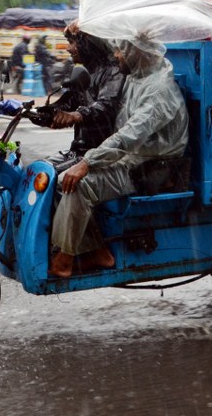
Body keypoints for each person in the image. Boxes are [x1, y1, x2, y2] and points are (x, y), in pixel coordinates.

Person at [48, 32, 189, 278]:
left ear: (136, 51)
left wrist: (88, 162)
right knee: (57, 178)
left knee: (75, 184)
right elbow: (106, 50)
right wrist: (85, 27)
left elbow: (129, 137)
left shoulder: (158, 91)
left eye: (120, 50)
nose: (115, 55)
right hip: (133, 157)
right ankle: (97, 251)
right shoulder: (139, 72)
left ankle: (66, 260)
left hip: (150, 167)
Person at [45, 20, 126, 171]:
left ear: (86, 44)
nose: (68, 49)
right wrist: (40, 112)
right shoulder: (85, 72)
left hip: (99, 154)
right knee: (38, 170)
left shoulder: (112, 71)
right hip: (77, 151)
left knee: (53, 178)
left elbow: (106, 106)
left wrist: (77, 115)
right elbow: (69, 103)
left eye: (72, 42)